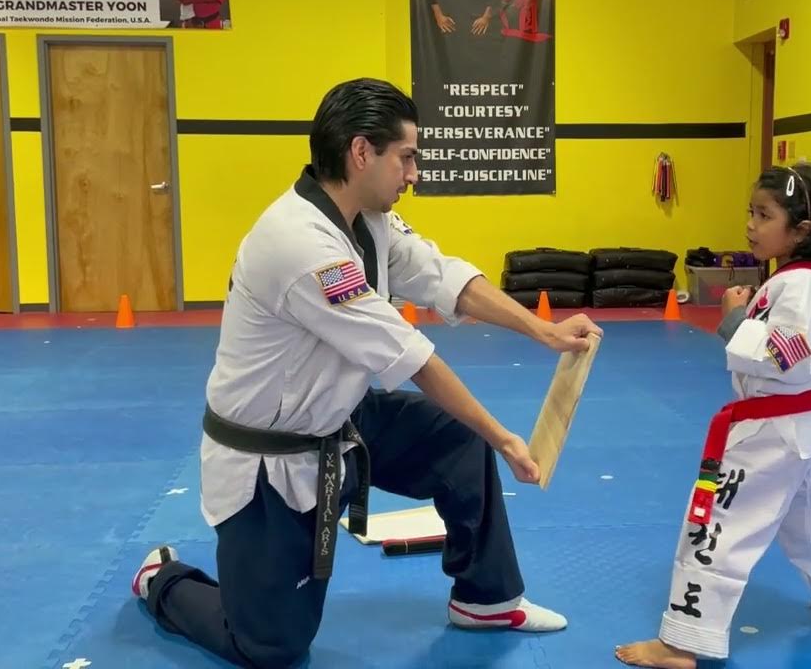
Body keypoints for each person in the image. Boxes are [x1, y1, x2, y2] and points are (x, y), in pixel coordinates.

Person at [131, 78, 601, 668]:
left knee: (456, 442)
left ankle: (486, 598)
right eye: (406, 157)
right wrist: (504, 436)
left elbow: (441, 276)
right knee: (272, 647)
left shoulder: (367, 217)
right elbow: (410, 356)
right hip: (271, 458)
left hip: (342, 417)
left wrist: (543, 331)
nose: (414, 174)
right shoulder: (301, 245)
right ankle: (162, 578)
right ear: (361, 152)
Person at [616, 163, 811, 669]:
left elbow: (788, 356)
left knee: (714, 526)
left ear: (802, 230)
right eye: (750, 212)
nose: (751, 226)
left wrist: (735, 319)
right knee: (809, 528)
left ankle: (681, 643)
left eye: (764, 215)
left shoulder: (794, 288)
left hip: (770, 432)